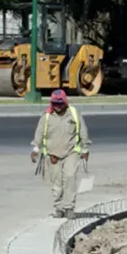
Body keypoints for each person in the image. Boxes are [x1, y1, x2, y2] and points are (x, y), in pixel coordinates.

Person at [31, 89, 90, 219]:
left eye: (60, 103)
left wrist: (85, 149)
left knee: (70, 178)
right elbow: (39, 134)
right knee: (57, 184)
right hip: (53, 156)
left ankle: (69, 208)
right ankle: (59, 208)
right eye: (55, 103)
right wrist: (35, 149)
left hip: (71, 153)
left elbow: (83, 132)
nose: (58, 106)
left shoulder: (73, 114)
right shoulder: (46, 117)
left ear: (65, 102)